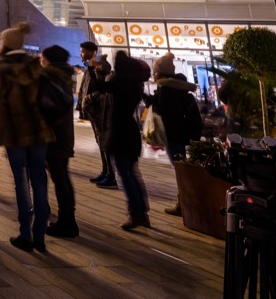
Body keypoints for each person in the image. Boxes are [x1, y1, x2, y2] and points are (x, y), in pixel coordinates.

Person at [0, 22, 53, 253]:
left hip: (14, 131)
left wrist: (5, 114)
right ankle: (40, 236)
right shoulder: (36, 65)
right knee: (40, 180)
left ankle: (25, 234)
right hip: (39, 130)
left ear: (5, 43)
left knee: (20, 182)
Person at [93, 50, 152, 230]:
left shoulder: (119, 82)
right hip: (131, 132)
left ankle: (135, 214)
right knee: (132, 173)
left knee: (124, 175)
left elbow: (100, 86)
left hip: (119, 132)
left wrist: (95, 70)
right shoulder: (135, 84)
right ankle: (141, 212)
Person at [147, 53, 202, 217]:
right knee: (182, 168)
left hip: (174, 134)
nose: (153, 74)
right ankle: (188, 203)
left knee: (180, 170)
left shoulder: (166, 89)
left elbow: (164, 111)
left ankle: (184, 205)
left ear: (160, 72)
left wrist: (151, 102)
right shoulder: (178, 86)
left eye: (155, 71)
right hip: (183, 132)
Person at [41, 45, 78, 239]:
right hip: (63, 133)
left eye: (42, 57)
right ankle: (67, 219)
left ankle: (67, 222)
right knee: (61, 176)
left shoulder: (49, 77)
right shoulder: (65, 76)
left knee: (59, 177)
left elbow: (48, 106)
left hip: (53, 134)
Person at [80, 42, 116, 189]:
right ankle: (105, 170)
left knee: (104, 142)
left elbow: (102, 88)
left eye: (83, 51)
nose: (81, 54)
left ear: (92, 52)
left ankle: (111, 175)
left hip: (101, 110)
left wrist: (89, 99)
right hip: (93, 110)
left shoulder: (101, 65)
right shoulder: (89, 67)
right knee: (100, 141)